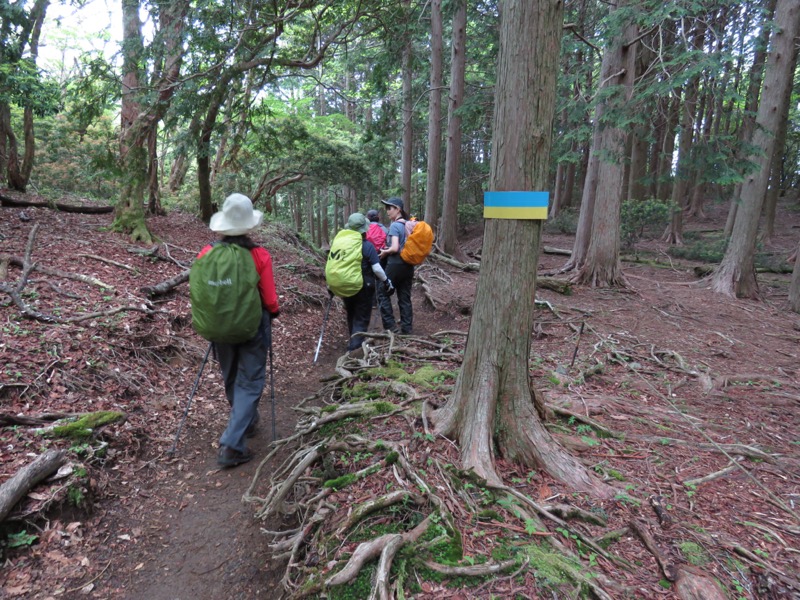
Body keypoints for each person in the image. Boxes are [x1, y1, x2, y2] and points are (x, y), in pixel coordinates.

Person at [197, 193, 280, 468]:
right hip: (251, 326)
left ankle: (247, 419)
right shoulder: (259, 255)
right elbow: (269, 299)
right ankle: (232, 445)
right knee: (251, 380)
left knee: (231, 375)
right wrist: (274, 311)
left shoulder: (206, 253)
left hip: (218, 326)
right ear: (249, 226)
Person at [331, 212, 394, 353]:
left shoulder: (341, 244)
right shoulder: (366, 246)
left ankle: (355, 340)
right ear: (364, 230)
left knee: (351, 313)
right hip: (363, 286)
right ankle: (354, 350)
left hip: (344, 284)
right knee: (361, 316)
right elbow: (377, 269)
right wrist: (387, 282)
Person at [377, 197, 414, 334]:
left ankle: (390, 328)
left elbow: (394, 247)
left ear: (398, 209)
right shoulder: (409, 225)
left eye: (389, 208)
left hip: (395, 264)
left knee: (382, 292)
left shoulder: (395, 225)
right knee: (404, 296)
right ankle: (407, 329)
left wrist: (384, 252)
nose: (387, 211)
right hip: (408, 265)